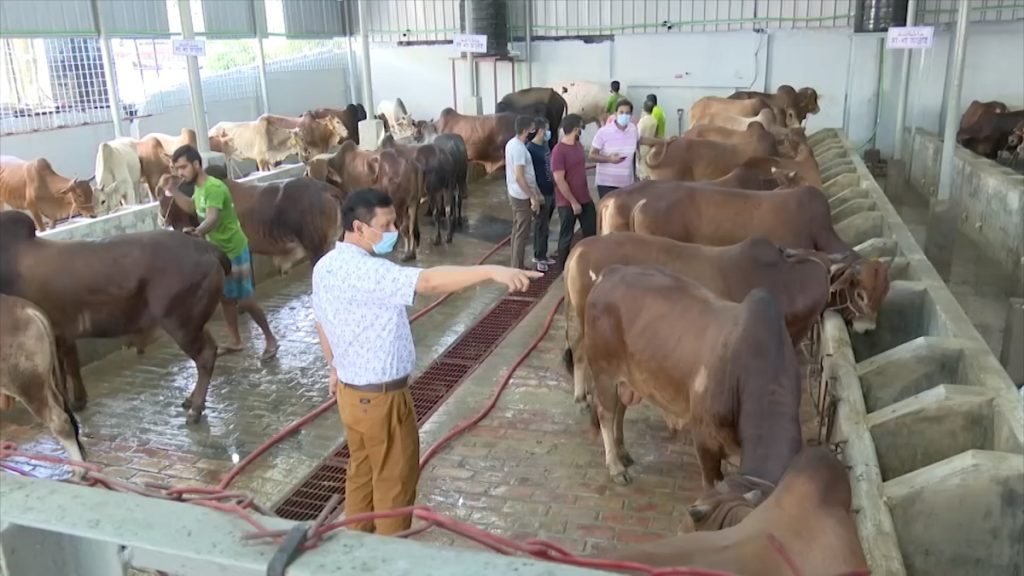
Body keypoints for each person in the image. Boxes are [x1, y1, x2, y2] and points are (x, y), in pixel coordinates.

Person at [311, 188, 542, 535]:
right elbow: (430, 281)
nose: (395, 232)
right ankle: (388, 554)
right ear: (358, 228)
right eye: (386, 226)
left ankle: (355, 546)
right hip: (383, 400)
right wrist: (491, 271)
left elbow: (322, 322)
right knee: (394, 483)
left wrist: (334, 366)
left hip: (350, 393)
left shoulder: (325, 266)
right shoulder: (368, 272)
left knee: (362, 472)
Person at [166, 145, 278, 361]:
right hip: (218, 252)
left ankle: (270, 338)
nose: (180, 173)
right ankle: (236, 341)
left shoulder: (213, 187)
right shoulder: (199, 188)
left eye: (183, 167)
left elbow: (212, 217)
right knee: (226, 298)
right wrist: (174, 191)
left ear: (196, 164)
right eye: (177, 169)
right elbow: (192, 208)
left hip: (234, 250)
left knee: (245, 301)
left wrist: (198, 232)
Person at [589, 99, 669, 199]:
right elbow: (592, 155)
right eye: (621, 112)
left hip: (626, 183)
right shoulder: (603, 132)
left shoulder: (632, 129)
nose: (624, 115)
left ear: (631, 115)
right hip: (607, 183)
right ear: (615, 114)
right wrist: (609, 159)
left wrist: (664, 142)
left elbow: (641, 139)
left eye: (627, 113)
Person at [552, 114, 597, 268]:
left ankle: (590, 264)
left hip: (585, 198)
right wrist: (573, 202)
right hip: (567, 203)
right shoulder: (559, 151)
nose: (581, 131)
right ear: (575, 128)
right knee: (566, 237)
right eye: (580, 127)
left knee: (591, 233)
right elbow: (559, 180)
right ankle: (564, 268)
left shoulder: (578, 146)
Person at [504, 115, 543, 270]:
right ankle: (517, 269)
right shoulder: (519, 149)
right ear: (526, 130)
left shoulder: (511, 143)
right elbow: (520, 176)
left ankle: (517, 264)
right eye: (532, 128)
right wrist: (532, 197)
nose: (534, 131)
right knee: (522, 233)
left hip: (515, 192)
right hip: (521, 195)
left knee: (517, 231)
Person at [526, 117, 556, 272]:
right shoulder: (530, 149)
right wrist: (536, 195)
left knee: (546, 225)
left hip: (550, 190)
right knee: (540, 226)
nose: (548, 132)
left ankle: (543, 254)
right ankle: (539, 256)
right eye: (546, 129)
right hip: (541, 192)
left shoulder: (545, 145)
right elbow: (529, 175)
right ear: (540, 130)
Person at [636, 100, 659, 181]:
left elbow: (638, 135)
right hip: (650, 146)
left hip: (641, 146)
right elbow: (656, 135)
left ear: (643, 109)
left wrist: (637, 150)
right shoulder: (654, 120)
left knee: (641, 167)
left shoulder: (642, 121)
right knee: (648, 166)